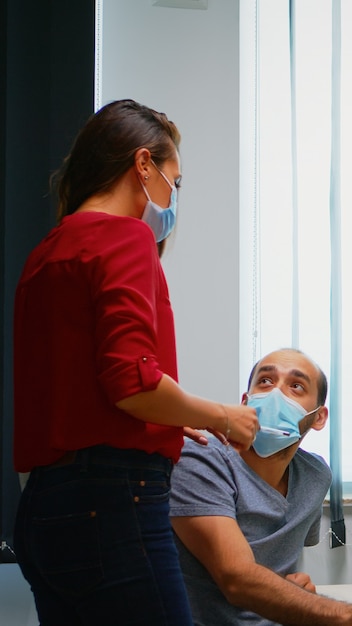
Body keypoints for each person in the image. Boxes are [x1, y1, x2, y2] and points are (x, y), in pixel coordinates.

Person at [12, 99, 259, 626]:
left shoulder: (47, 253)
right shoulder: (125, 236)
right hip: (114, 504)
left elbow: (80, 390)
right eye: (176, 180)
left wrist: (169, 415)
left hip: (45, 509)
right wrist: (222, 416)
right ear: (142, 165)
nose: (173, 198)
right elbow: (130, 382)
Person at [170, 348, 352, 625]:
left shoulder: (316, 475)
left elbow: (280, 565)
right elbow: (238, 580)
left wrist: (293, 588)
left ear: (319, 417)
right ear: (245, 402)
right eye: (265, 381)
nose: (274, 394)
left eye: (296, 386)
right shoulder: (200, 460)